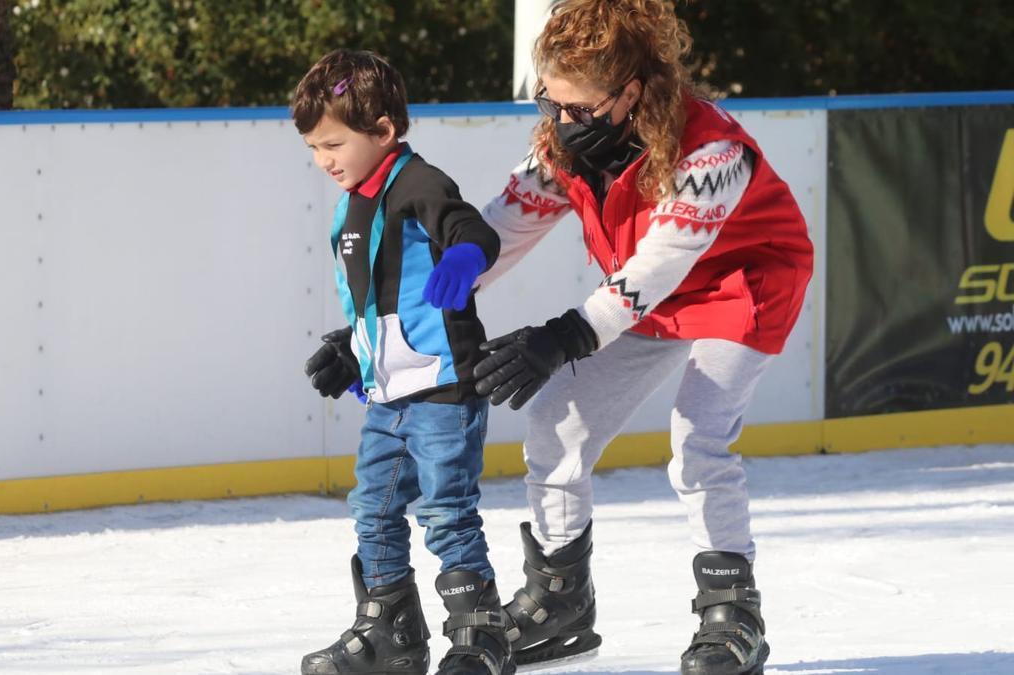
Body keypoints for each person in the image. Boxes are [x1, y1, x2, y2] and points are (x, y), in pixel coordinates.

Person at [471, 1, 814, 673]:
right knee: (555, 421)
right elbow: (496, 232)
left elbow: (660, 263)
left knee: (699, 433)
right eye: (550, 104)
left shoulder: (711, 150)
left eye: (579, 110)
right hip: (649, 295)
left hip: (746, 280)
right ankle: (559, 602)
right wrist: (397, 310)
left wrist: (564, 336)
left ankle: (732, 614)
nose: (562, 123)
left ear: (631, 92)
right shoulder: (563, 146)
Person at [292, 49, 514, 675]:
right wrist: (353, 348)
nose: (323, 160)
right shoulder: (351, 204)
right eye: (313, 147)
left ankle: (480, 639)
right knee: (374, 508)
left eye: (333, 143)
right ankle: (391, 629)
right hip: (390, 392)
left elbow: (471, 230)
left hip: (444, 384)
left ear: (383, 131)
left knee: (446, 510)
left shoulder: (418, 181)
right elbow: (379, 294)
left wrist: (465, 259)